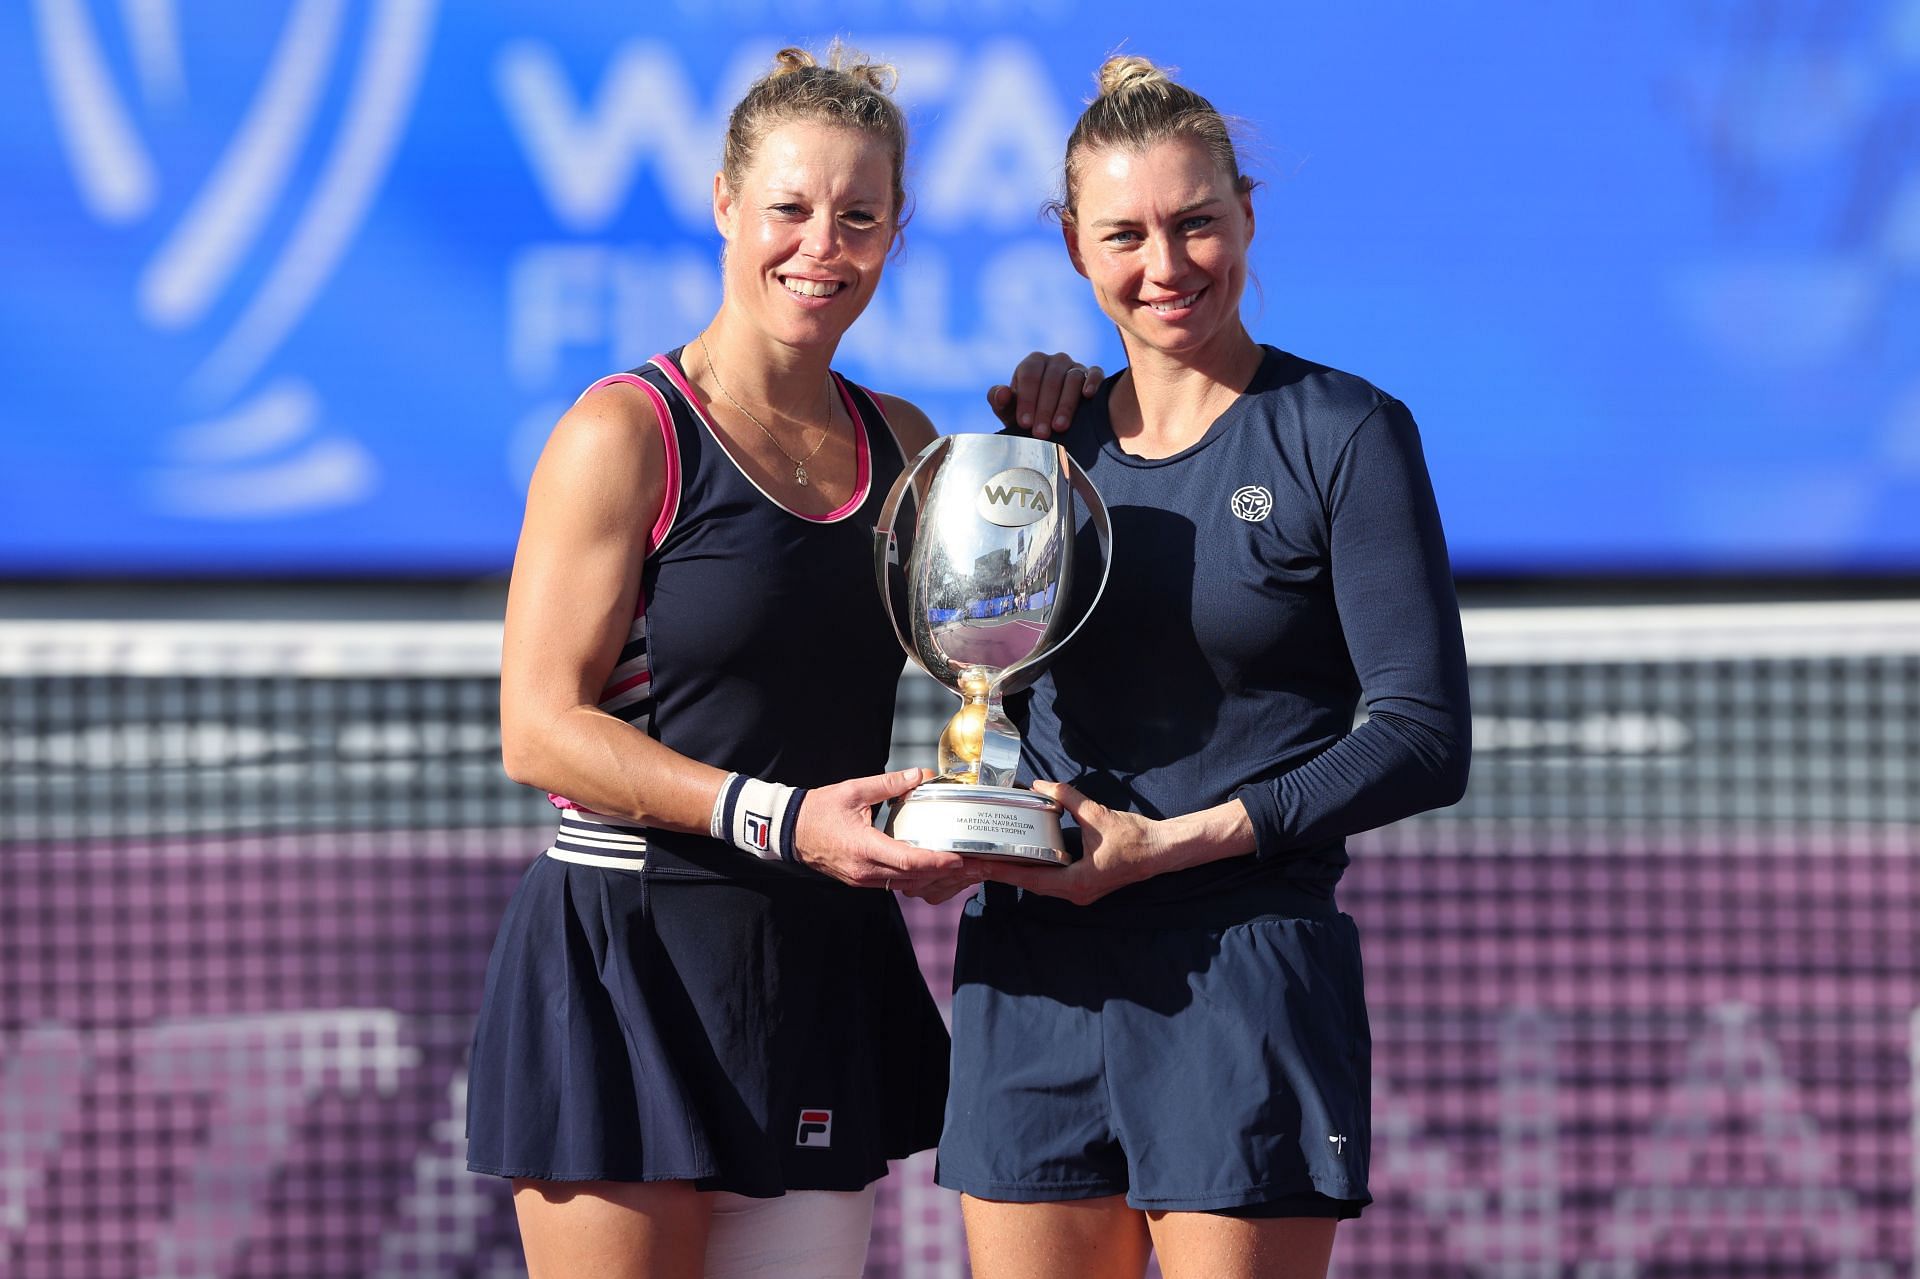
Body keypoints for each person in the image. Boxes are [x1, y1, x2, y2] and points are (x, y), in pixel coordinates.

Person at [463, 44, 1093, 1279]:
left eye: (859, 217)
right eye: (790, 209)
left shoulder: (907, 443)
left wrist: (1062, 434)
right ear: (723, 206)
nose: (822, 245)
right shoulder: (622, 430)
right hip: (626, 959)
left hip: (818, 968)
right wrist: (784, 818)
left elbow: (996, 654)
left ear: (897, 231)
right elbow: (539, 728)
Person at [936, 56, 1474, 1279]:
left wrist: (1174, 845)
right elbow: (984, 672)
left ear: (1247, 218)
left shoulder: (1346, 432)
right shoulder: (1036, 445)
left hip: (1244, 972)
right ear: (1075, 248)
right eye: (1126, 234)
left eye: (1197, 224)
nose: (1167, 266)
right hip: (1034, 970)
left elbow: (1422, 737)